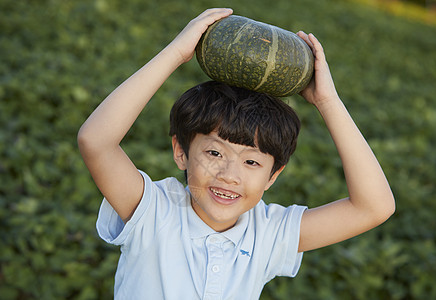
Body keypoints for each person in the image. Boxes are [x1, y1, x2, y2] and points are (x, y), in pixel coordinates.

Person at [78, 8, 395, 300]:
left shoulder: (269, 233)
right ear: (181, 152)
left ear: (273, 176)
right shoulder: (152, 211)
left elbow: (374, 207)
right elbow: (96, 142)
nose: (230, 175)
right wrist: (175, 53)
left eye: (252, 162)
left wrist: (328, 101)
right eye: (214, 152)